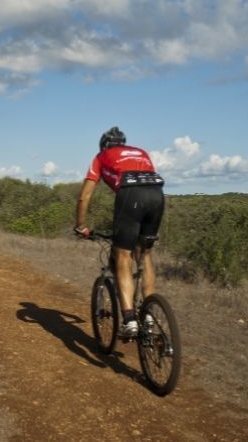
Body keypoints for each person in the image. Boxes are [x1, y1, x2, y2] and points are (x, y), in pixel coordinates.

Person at [75, 127, 165, 338]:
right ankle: (150, 315)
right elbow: (147, 178)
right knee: (144, 254)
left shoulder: (101, 156)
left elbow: (84, 197)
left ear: (103, 145)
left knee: (123, 254)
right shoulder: (141, 152)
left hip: (131, 195)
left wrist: (80, 225)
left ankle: (130, 320)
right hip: (157, 194)